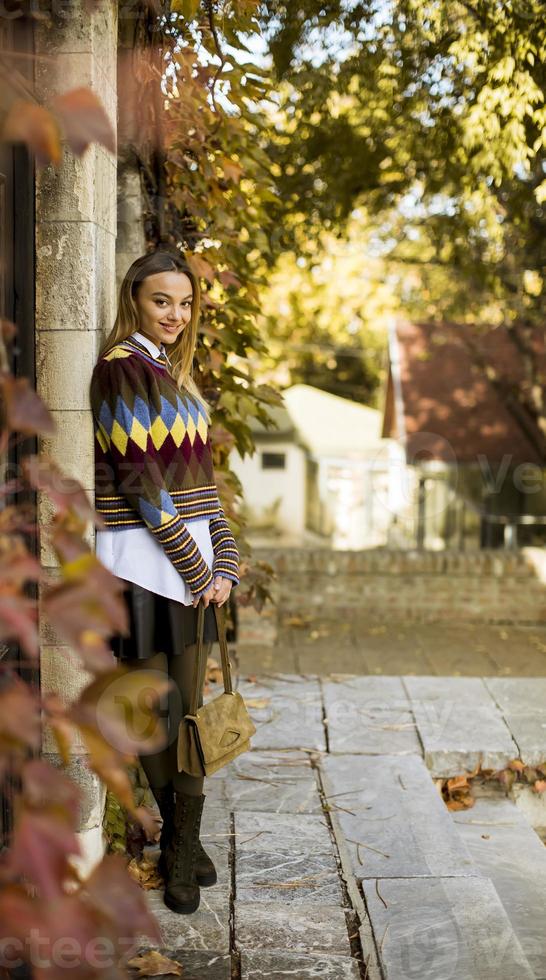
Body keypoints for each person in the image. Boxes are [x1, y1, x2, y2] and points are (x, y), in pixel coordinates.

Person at [89, 249, 240, 915]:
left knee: (188, 711)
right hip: (140, 563)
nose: (175, 313)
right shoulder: (122, 369)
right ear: (136, 300)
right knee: (149, 710)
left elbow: (202, 487)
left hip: (195, 567)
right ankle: (182, 841)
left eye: (183, 302)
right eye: (161, 301)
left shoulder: (178, 379)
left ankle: (182, 845)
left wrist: (226, 563)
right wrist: (195, 564)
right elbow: (139, 481)